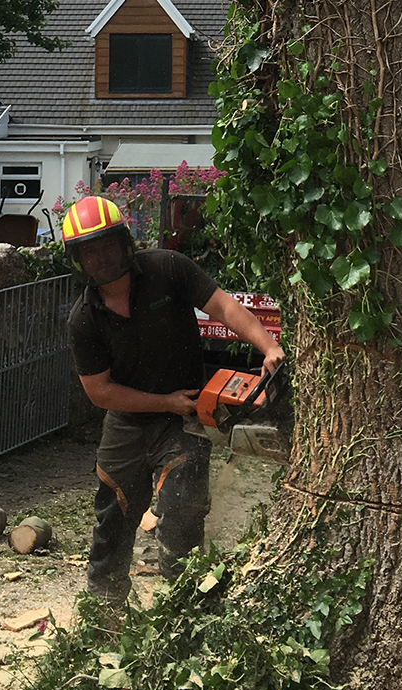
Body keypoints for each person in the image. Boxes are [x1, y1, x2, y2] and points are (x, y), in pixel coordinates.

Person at [61, 195, 284, 604]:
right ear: (77, 259)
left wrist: (268, 347)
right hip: (128, 421)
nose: (101, 257)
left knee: (181, 509)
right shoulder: (84, 318)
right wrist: (164, 401)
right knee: (113, 513)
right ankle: (103, 608)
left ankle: (184, 609)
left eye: (107, 244)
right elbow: (99, 391)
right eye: (88, 251)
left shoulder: (167, 268)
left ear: (124, 242)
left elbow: (224, 307)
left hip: (185, 419)